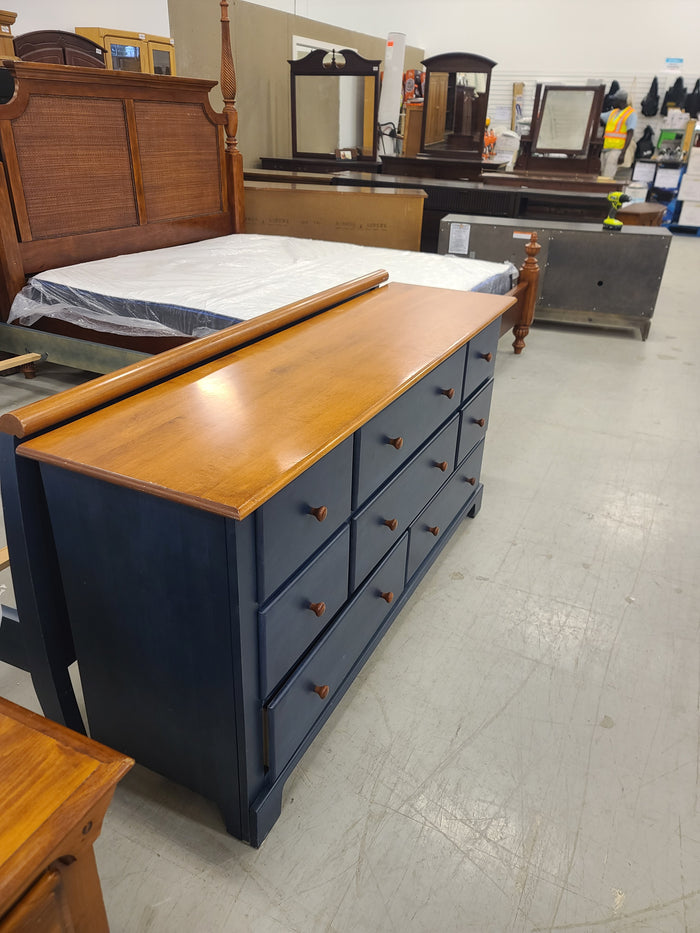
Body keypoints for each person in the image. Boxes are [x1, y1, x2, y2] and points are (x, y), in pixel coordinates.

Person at [600, 90, 637, 179]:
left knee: (607, 177)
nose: (612, 102)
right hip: (606, 149)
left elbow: (630, 134)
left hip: (616, 150)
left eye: (614, 100)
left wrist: (623, 153)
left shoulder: (630, 114)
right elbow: (599, 115)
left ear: (621, 101)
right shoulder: (613, 112)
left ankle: (607, 192)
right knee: (602, 175)